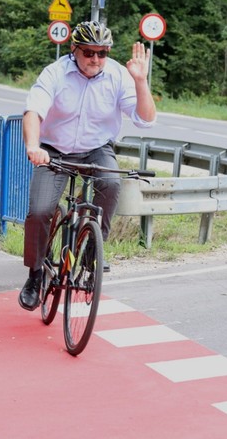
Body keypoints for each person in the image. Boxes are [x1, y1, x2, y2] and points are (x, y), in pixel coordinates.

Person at [18, 20, 157, 311]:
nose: (95, 59)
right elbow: (34, 112)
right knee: (40, 211)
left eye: (102, 53)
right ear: (74, 49)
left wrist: (141, 81)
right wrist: (33, 146)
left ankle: (92, 252)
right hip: (53, 151)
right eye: (89, 52)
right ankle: (35, 273)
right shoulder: (55, 73)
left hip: (96, 149)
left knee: (111, 183)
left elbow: (145, 119)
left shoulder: (118, 76)